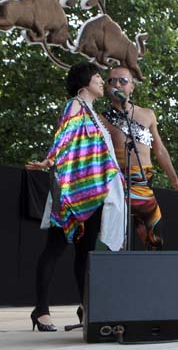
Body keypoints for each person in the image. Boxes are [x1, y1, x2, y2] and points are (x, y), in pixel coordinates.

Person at [25, 62, 125, 331]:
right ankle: (41, 310)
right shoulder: (76, 105)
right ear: (84, 84)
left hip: (92, 192)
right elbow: (64, 136)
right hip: (72, 192)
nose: (102, 82)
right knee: (55, 248)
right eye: (97, 77)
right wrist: (50, 160)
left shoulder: (92, 112)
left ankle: (86, 308)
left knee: (86, 253)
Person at [99, 67, 178, 250]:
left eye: (122, 81)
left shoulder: (148, 114)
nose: (116, 85)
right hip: (117, 186)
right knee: (115, 244)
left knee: (155, 241)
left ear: (132, 87)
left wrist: (175, 181)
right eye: (111, 81)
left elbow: (159, 150)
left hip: (143, 185)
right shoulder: (101, 120)